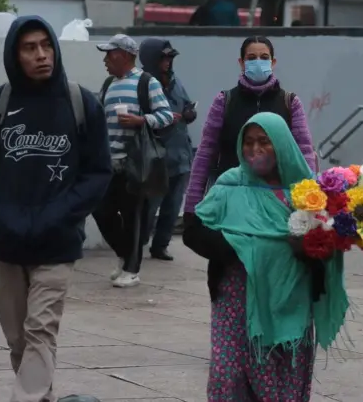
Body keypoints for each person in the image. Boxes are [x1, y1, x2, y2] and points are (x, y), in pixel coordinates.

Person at [0, 16, 112, 401]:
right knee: (19, 339)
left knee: (40, 331)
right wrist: (2, 216)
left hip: (57, 244)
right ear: (15, 55)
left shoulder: (81, 104)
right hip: (8, 244)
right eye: (30, 48)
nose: (41, 55)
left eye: (46, 45)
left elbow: (99, 172)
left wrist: (58, 214)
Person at [183, 112, 348, 400]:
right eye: (248, 142)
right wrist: (237, 245)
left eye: (264, 142)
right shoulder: (230, 184)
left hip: (289, 298)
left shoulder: (306, 191)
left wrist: (309, 247)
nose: (254, 150)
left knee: (280, 376)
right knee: (227, 373)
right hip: (235, 297)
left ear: (282, 145)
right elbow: (193, 230)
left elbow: (329, 243)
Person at [183, 35, 316, 220]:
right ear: (241, 62)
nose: (258, 62)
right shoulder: (224, 101)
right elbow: (206, 153)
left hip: (278, 201)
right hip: (232, 198)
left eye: (264, 57)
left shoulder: (289, 102)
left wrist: (311, 197)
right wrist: (192, 203)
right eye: (251, 58)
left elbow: (305, 152)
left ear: (273, 61)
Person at [93, 34, 174, 287]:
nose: (106, 59)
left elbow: (166, 116)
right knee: (100, 210)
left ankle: (132, 269)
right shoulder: (108, 84)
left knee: (132, 216)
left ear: (126, 56)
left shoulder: (146, 83)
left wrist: (141, 121)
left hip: (135, 162)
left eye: (110, 53)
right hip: (108, 162)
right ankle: (124, 254)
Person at [139, 38, 196, 261]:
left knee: (172, 208)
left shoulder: (175, 81)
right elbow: (138, 118)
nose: (168, 62)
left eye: (171, 58)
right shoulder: (142, 84)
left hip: (180, 154)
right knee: (149, 207)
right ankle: (137, 244)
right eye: (164, 57)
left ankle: (160, 245)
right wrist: (163, 120)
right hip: (156, 156)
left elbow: (186, 105)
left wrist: (190, 113)